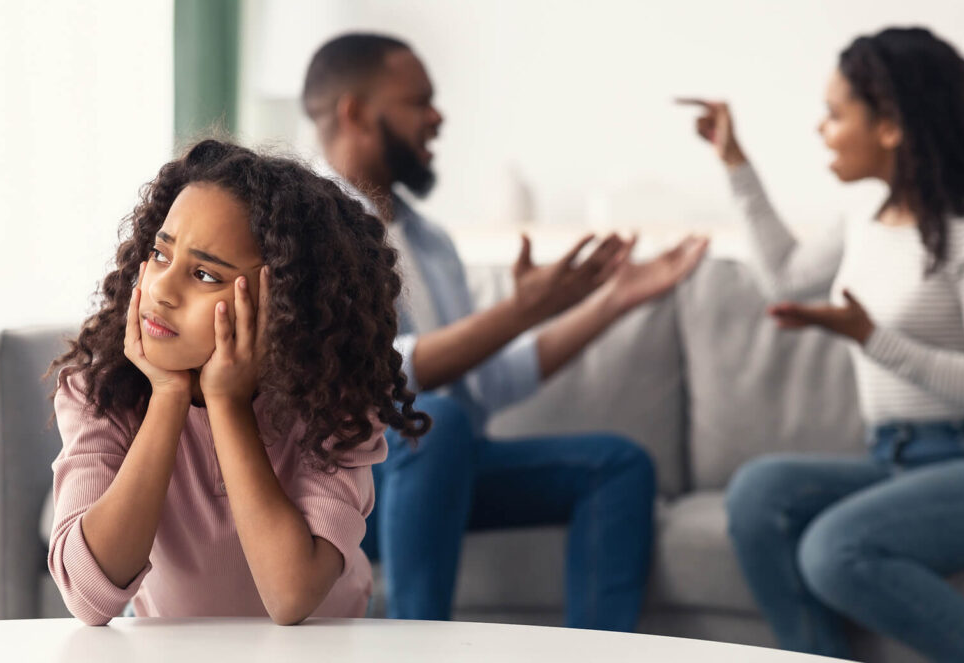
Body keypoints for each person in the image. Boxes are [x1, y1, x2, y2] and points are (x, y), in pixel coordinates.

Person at [302, 33, 709, 630]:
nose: (437, 117)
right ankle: (418, 647)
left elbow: (485, 383)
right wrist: (520, 311)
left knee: (618, 465)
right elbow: (380, 374)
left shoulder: (431, 242)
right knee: (437, 423)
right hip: (356, 478)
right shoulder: (306, 230)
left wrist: (612, 301)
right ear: (356, 111)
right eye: (419, 101)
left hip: (447, 458)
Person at [46, 139, 430, 626]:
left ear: (284, 303)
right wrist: (168, 395)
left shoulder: (335, 402)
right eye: (160, 256)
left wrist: (227, 403)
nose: (162, 291)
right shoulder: (99, 391)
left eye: (205, 274)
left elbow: (292, 596)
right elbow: (86, 597)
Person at [681, 26, 964, 662]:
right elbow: (781, 275)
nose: (821, 129)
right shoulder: (862, 222)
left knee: (834, 549)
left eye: (835, 114)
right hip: (893, 456)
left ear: (892, 125)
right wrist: (735, 161)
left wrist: (873, 340)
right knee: (759, 491)